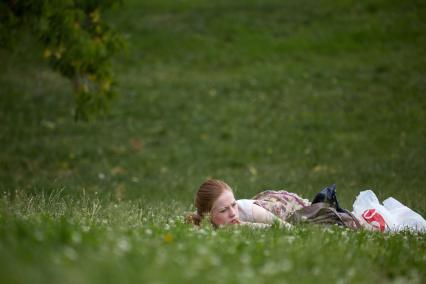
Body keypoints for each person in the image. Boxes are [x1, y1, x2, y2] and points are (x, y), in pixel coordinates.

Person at [186, 179, 426, 232]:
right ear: (208, 215)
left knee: (352, 225)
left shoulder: (247, 212)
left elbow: (286, 230)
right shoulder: (205, 224)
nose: (231, 213)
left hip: (283, 208)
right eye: (223, 210)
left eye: (232, 205)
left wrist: (244, 227)